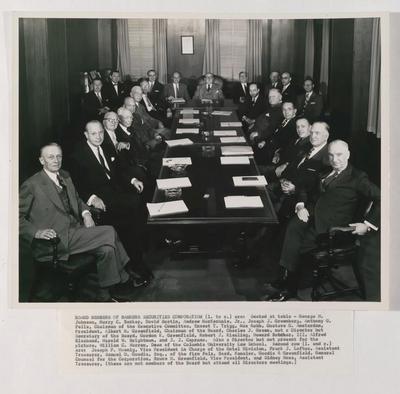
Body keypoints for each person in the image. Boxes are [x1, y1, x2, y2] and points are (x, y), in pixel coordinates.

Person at [19, 143, 139, 302]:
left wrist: (86, 213)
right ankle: (125, 278)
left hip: (75, 231)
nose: (56, 160)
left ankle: (107, 295)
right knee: (109, 231)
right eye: (50, 157)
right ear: (42, 160)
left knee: (106, 249)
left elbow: (78, 200)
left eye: (59, 156)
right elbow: (13, 216)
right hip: (55, 241)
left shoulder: (65, 176)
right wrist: (36, 232)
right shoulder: (32, 185)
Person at [263, 140, 380, 301]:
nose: (335, 159)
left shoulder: (358, 177)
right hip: (311, 215)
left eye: (339, 155)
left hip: (334, 227)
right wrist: (300, 205)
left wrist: (367, 225)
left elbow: (384, 197)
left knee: (299, 244)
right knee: (290, 228)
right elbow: (306, 189)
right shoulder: (325, 171)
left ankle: (289, 287)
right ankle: (285, 278)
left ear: (348, 155)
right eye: (331, 155)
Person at [68, 121, 152, 282]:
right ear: (86, 135)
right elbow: (77, 185)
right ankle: (133, 262)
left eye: (100, 133)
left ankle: (138, 252)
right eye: (94, 134)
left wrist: (133, 180)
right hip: (100, 198)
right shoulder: (77, 156)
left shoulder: (106, 147)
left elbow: (120, 171)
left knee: (140, 202)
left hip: (116, 191)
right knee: (132, 209)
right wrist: (92, 198)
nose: (98, 136)